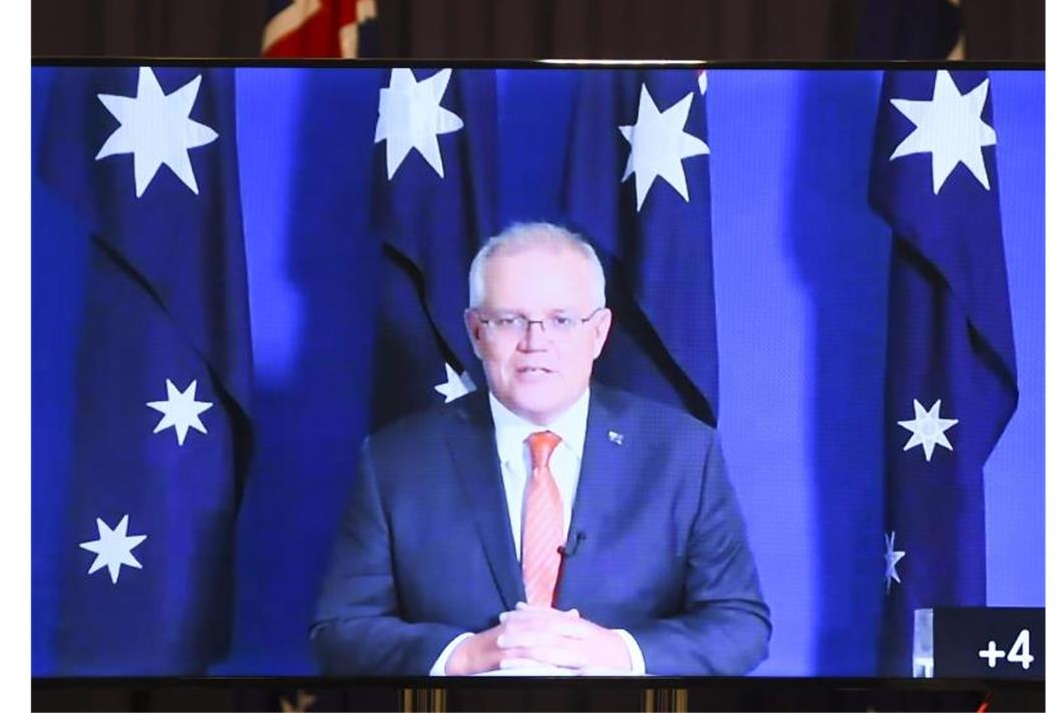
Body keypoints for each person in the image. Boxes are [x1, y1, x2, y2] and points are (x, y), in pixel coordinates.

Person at [311, 222, 770, 676]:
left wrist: (616, 651)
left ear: (598, 332)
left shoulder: (683, 453)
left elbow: (741, 625)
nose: (535, 343)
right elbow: (340, 630)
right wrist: (464, 654)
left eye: (561, 320)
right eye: (509, 320)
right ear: (475, 332)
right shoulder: (395, 460)